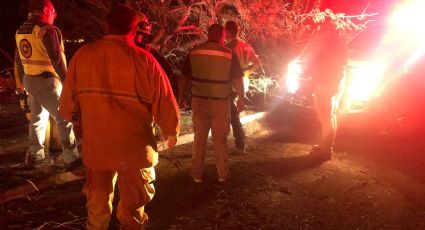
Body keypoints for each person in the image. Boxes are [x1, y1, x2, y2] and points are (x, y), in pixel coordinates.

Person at [59, 4, 180, 229]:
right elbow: (165, 103)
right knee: (133, 207)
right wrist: (171, 132)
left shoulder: (83, 56)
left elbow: (67, 106)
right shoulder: (146, 61)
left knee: (97, 201)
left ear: (107, 25)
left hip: (98, 149)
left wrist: (77, 122)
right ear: (135, 29)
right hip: (134, 151)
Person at [14, 0, 79, 168]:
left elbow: (19, 60)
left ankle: (36, 156)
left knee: (37, 118)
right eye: (53, 12)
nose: (54, 16)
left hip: (30, 80)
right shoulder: (47, 31)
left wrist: (22, 82)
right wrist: (68, 82)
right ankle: (71, 157)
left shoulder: (20, 30)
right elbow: (57, 60)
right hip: (47, 80)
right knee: (64, 116)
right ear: (45, 10)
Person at [179, 24, 244, 183]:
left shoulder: (194, 52)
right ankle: (222, 175)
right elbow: (238, 81)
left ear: (209, 35)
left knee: (199, 138)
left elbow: (184, 78)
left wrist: (181, 96)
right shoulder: (229, 54)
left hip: (199, 102)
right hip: (220, 104)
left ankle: (196, 175)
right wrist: (241, 98)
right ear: (222, 36)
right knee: (220, 140)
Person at [303, 20, 347, 160]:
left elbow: (316, 64)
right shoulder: (340, 43)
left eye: (321, 30)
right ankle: (326, 147)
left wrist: (311, 77)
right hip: (336, 83)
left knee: (325, 118)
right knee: (331, 116)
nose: (319, 32)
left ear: (326, 31)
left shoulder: (327, 45)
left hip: (325, 84)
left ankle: (326, 150)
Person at [224, 21, 261, 155]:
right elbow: (257, 63)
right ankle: (238, 142)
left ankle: (240, 143)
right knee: (233, 111)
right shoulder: (246, 46)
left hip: (230, 83)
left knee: (232, 113)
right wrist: (247, 71)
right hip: (244, 81)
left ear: (227, 31)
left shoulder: (226, 47)